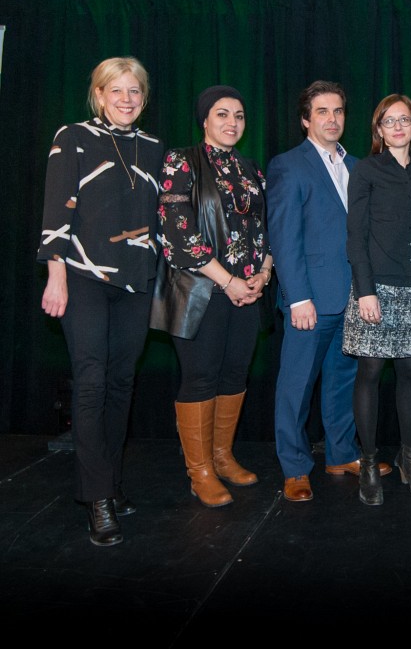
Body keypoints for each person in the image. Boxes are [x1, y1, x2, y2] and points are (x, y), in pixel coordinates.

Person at [38, 56, 163, 546]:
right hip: (83, 277)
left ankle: (109, 482)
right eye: (117, 90)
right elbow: (56, 210)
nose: (126, 99)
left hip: (136, 280)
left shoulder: (153, 147)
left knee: (120, 382)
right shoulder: (73, 137)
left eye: (134, 91)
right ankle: (97, 498)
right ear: (99, 95)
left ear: (143, 98)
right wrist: (56, 276)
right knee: (90, 382)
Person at [267, 81, 390, 504]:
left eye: (338, 111)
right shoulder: (288, 165)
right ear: (306, 120)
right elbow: (284, 237)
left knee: (343, 383)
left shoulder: (357, 165)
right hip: (311, 301)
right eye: (322, 111)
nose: (332, 119)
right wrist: (298, 297)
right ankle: (295, 468)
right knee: (296, 387)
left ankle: (341, 454)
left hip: (353, 297)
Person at [154, 85, 271, 508]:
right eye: (222, 114)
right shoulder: (181, 161)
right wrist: (228, 281)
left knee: (235, 375)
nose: (232, 122)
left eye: (239, 115)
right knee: (200, 376)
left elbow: (266, 228)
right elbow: (177, 234)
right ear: (204, 120)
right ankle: (199, 470)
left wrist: (263, 273)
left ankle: (222, 457)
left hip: (247, 292)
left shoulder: (250, 168)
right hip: (201, 291)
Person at [344, 94, 411, 505]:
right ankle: (368, 461)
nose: (397, 127)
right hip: (374, 288)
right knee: (369, 372)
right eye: (389, 121)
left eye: (405, 120)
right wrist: (365, 290)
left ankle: (409, 458)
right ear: (379, 129)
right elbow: (355, 235)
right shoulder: (366, 170)